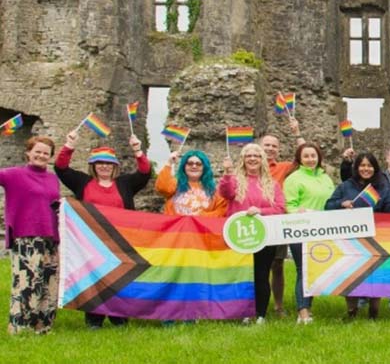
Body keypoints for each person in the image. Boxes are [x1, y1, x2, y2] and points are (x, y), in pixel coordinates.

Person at [54, 130, 150, 328]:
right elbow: (61, 168)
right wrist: (70, 145)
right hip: (91, 243)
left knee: (120, 279)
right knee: (94, 280)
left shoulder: (125, 184)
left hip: (120, 241)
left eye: (108, 163)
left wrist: (138, 151)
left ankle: (119, 317)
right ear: (94, 166)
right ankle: (94, 318)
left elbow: (144, 173)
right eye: (100, 163)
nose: (104, 166)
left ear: (114, 166)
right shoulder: (82, 182)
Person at [326, 152, 390, 319]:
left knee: (374, 274)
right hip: (351, 240)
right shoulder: (345, 186)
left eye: (369, 166)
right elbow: (328, 206)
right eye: (362, 165)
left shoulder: (382, 187)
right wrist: (341, 204)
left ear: (375, 168)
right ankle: (351, 311)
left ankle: (373, 312)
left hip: (375, 238)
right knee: (351, 274)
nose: (366, 169)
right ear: (356, 167)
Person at [219, 143, 287, 324]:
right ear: (243, 159)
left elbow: (280, 208)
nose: (252, 158)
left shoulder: (272, 184)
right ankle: (242, 311)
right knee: (241, 274)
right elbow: (225, 193)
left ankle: (260, 314)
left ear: (262, 159)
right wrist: (227, 173)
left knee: (261, 274)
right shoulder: (234, 180)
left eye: (256, 155)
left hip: (264, 236)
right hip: (239, 236)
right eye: (248, 155)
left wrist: (261, 211)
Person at [1, 136, 60, 335]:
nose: (41, 156)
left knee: (48, 283)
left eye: (46, 153)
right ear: (28, 153)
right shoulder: (13, 175)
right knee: (27, 283)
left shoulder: (52, 178)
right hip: (26, 236)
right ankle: (19, 325)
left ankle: (42, 325)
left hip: (51, 237)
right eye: (38, 151)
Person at [282, 142, 335, 325]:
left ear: (319, 157)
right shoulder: (293, 179)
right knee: (302, 269)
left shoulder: (326, 178)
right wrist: (298, 213)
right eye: (306, 156)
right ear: (300, 159)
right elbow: (289, 204)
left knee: (315, 270)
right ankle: (303, 312)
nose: (310, 159)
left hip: (323, 229)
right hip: (301, 229)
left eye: (313, 156)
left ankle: (309, 307)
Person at [260, 118, 305, 317]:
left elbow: (305, 155)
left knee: (277, 265)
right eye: (266, 145)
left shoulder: (283, 167)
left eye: (274, 146)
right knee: (253, 266)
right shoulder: (248, 164)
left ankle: (278, 307)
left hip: (277, 220)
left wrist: (297, 133)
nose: (270, 149)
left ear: (278, 150)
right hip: (253, 220)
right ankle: (253, 305)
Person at [155, 149, 227, 217]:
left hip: (196, 229)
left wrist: (202, 217)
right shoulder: (175, 183)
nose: (194, 166)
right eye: (190, 163)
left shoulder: (212, 191)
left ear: (204, 168)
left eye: (198, 164)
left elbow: (222, 211)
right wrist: (169, 163)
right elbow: (162, 187)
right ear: (184, 167)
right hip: (175, 229)